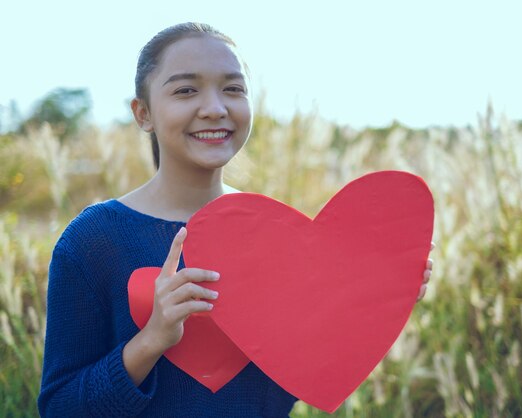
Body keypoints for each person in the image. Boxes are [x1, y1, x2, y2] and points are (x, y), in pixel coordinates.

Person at [38, 22, 434, 417]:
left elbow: (306, 379)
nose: (215, 108)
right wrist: (152, 340)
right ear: (143, 114)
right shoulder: (92, 240)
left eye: (233, 88)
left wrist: (373, 296)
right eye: (186, 90)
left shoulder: (273, 234)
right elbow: (59, 407)